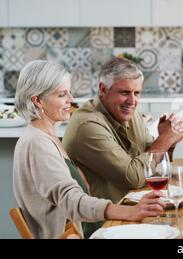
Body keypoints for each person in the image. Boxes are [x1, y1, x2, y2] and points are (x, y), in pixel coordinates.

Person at [13, 60, 165, 239]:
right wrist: (128, 212)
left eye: (69, 92)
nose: (71, 99)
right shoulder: (37, 144)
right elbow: (71, 200)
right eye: (62, 94)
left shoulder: (46, 137)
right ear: (38, 100)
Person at [63, 58, 183, 204]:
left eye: (137, 93)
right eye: (125, 92)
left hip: (135, 207)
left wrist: (169, 142)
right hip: (105, 220)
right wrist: (165, 139)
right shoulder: (87, 125)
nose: (132, 101)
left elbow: (152, 166)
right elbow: (133, 177)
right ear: (103, 89)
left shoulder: (130, 113)